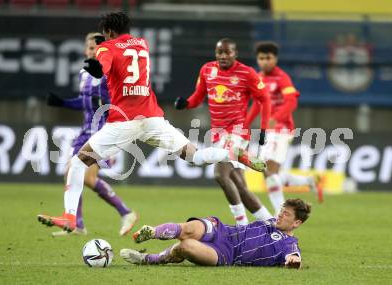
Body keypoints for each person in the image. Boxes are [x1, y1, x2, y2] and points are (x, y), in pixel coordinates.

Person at [37, 12, 267, 233]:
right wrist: (104, 54)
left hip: (123, 121)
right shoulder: (142, 44)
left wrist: (97, 64)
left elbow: (103, 67)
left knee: (78, 164)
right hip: (152, 118)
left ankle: (69, 216)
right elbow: (120, 55)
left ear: (108, 31)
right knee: (195, 156)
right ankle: (234, 154)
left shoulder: (106, 47)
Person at [40, 32, 137, 236]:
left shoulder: (108, 73)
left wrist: (106, 103)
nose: (94, 51)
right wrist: (63, 102)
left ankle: (126, 212)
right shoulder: (84, 73)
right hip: (85, 131)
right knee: (71, 172)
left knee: (86, 177)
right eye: (91, 48)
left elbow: (116, 100)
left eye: (97, 48)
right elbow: (84, 103)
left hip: (103, 130)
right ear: (86, 50)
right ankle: (78, 224)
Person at [174, 38, 273, 225]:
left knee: (220, 174)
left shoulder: (247, 73)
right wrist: (186, 103)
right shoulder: (207, 70)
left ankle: (241, 224)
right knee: (240, 186)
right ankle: (271, 223)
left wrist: (263, 129)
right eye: (220, 52)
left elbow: (265, 99)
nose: (223, 56)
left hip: (236, 132)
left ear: (235, 54)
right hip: (218, 133)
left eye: (227, 52)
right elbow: (198, 96)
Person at [120, 198, 310, 269]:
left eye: (286, 214)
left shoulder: (289, 244)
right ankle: (153, 231)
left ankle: (148, 259)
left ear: (297, 223)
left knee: (186, 246)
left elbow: (294, 257)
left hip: (227, 255)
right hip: (223, 230)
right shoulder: (271, 221)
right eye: (281, 210)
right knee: (190, 228)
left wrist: (293, 262)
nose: (280, 215)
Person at [246, 42, 323, 215]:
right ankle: (310, 181)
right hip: (268, 130)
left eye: (269, 58)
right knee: (269, 172)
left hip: (282, 129)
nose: (265, 61)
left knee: (268, 170)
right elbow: (257, 104)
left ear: (275, 59)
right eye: (261, 58)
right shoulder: (258, 78)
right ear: (257, 59)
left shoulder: (282, 77)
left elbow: (292, 101)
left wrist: (276, 117)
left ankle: (281, 214)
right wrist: (246, 123)